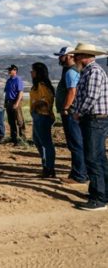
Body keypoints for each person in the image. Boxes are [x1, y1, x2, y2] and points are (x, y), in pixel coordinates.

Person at [68, 42, 108, 211]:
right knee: (98, 157)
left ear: (82, 56)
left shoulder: (94, 72)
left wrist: (79, 112)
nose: (74, 58)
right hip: (94, 119)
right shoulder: (88, 72)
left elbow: (91, 96)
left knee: (93, 158)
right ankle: (101, 192)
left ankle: (99, 198)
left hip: (94, 119)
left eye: (76, 55)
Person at [53, 47, 87, 184]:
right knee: (78, 143)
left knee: (75, 144)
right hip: (76, 112)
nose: (59, 58)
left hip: (71, 112)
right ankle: (79, 172)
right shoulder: (73, 70)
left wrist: (66, 108)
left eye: (61, 56)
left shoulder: (70, 72)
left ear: (69, 56)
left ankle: (79, 175)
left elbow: (72, 91)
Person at [29, 62, 56, 178]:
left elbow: (45, 101)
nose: (31, 72)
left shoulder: (42, 85)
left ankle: (48, 168)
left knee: (45, 143)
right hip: (38, 116)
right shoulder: (37, 85)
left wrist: (35, 105)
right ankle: (46, 165)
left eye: (33, 70)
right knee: (37, 140)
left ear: (38, 72)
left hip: (42, 116)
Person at [4, 64, 26, 145]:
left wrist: (16, 103)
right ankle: (13, 138)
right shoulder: (9, 80)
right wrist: (5, 102)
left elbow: (20, 92)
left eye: (10, 70)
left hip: (15, 102)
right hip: (9, 102)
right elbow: (7, 92)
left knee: (19, 120)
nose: (9, 71)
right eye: (8, 70)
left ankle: (22, 139)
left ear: (15, 70)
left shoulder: (18, 79)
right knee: (11, 121)